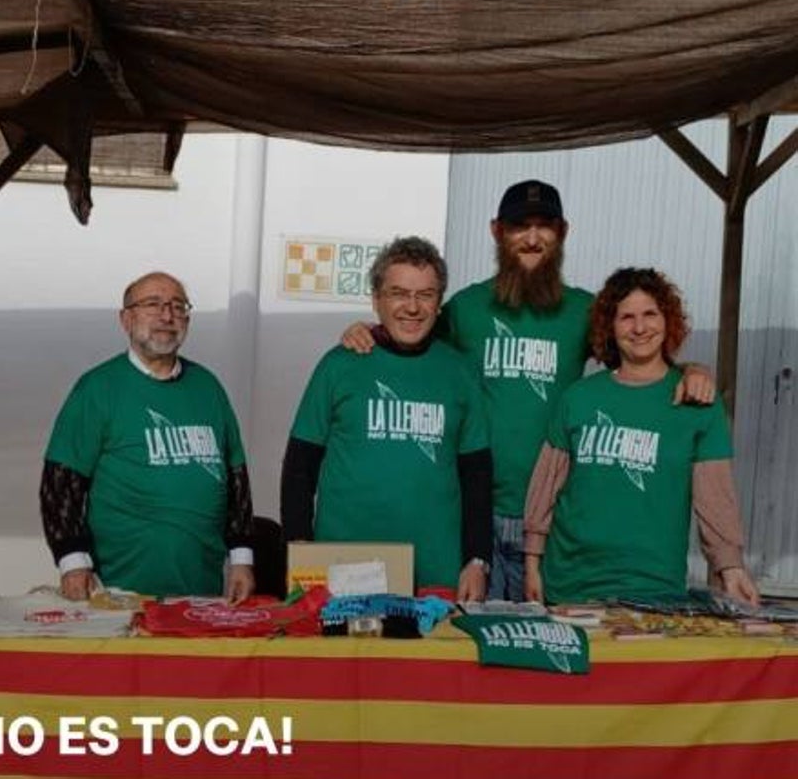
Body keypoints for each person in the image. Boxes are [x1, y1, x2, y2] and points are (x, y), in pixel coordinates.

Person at [341, 180, 714, 600]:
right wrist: (366, 331)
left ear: (563, 232)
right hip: (469, 514)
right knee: (466, 646)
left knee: (534, 648)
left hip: (546, 520)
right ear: (497, 231)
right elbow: (407, 338)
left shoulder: (582, 311)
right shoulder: (466, 308)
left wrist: (690, 369)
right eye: (520, 226)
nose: (533, 238)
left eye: (545, 226)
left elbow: (639, 361)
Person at [523, 268, 759, 606]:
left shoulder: (698, 403)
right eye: (626, 317)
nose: (639, 328)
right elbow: (546, 485)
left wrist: (731, 568)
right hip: (569, 585)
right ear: (610, 326)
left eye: (650, 314)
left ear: (668, 320)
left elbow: (715, 497)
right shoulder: (578, 398)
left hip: (654, 589)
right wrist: (533, 564)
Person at [282, 237, 493, 601]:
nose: (412, 307)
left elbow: (477, 478)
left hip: (435, 575)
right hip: (342, 571)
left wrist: (477, 560)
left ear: (439, 303)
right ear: (376, 299)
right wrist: (299, 553)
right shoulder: (339, 365)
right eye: (398, 293)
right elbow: (299, 469)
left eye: (425, 295)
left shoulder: (459, 372)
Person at [40, 272, 255, 602]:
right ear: (126, 319)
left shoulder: (208, 387)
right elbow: (60, 484)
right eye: (153, 304)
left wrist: (242, 561)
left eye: (178, 306)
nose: (167, 316)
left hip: (203, 592)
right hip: (118, 593)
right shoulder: (97, 389)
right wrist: (73, 563)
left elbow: (237, 481)